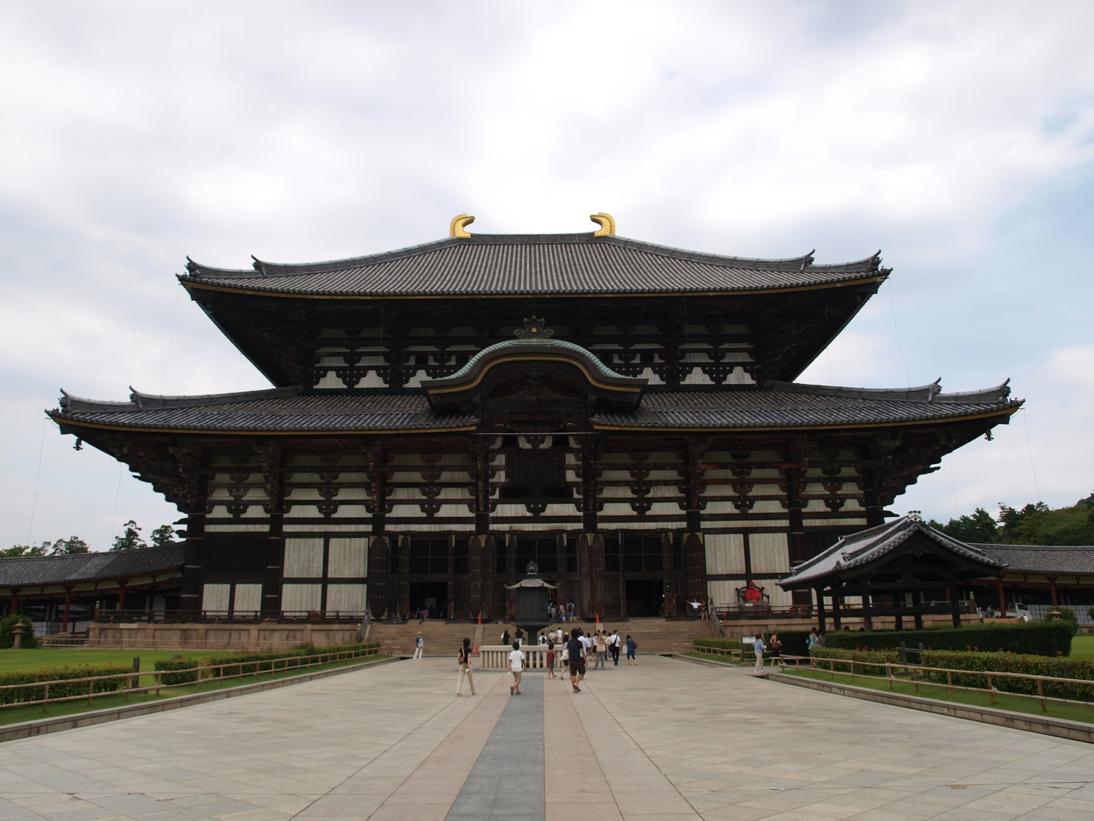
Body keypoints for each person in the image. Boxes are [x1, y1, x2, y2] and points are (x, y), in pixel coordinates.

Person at [566, 628, 586, 692]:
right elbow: (582, 651)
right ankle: (576, 684)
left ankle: (574, 689)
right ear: (577, 635)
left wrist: (569, 659)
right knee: (582, 672)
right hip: (578, 660)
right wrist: (585, 659)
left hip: (571, 660)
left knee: (573, 674)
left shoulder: (569, 642)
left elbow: (568, 651)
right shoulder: (579, 642)